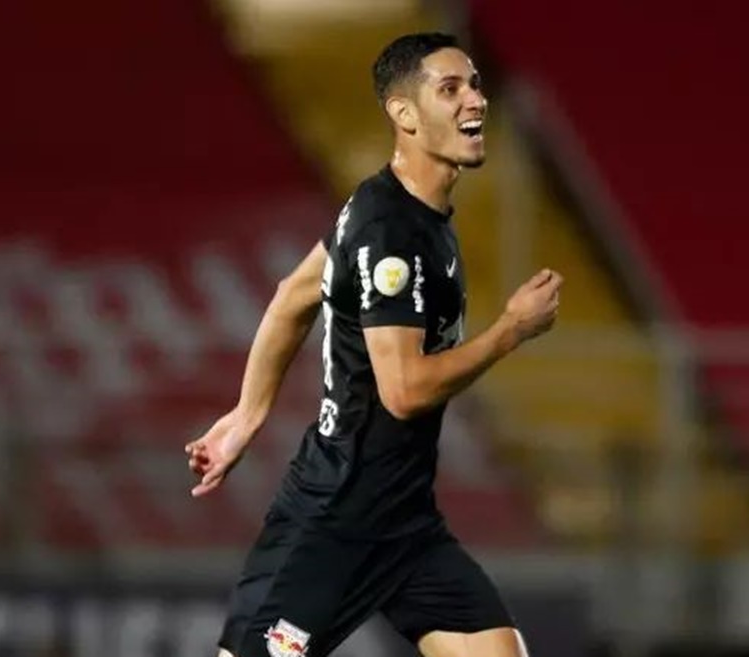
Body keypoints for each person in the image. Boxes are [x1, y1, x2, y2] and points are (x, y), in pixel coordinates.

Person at [184, 32, 563, 657]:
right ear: (404, 113)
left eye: (474, 84)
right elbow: (406, 391)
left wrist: (245, 417)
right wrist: (510, 331)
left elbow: (293, 295)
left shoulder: (398, 211)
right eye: (451, 89)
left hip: (404, 524)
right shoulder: (389, 232)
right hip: (333, 520)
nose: (476, 100)